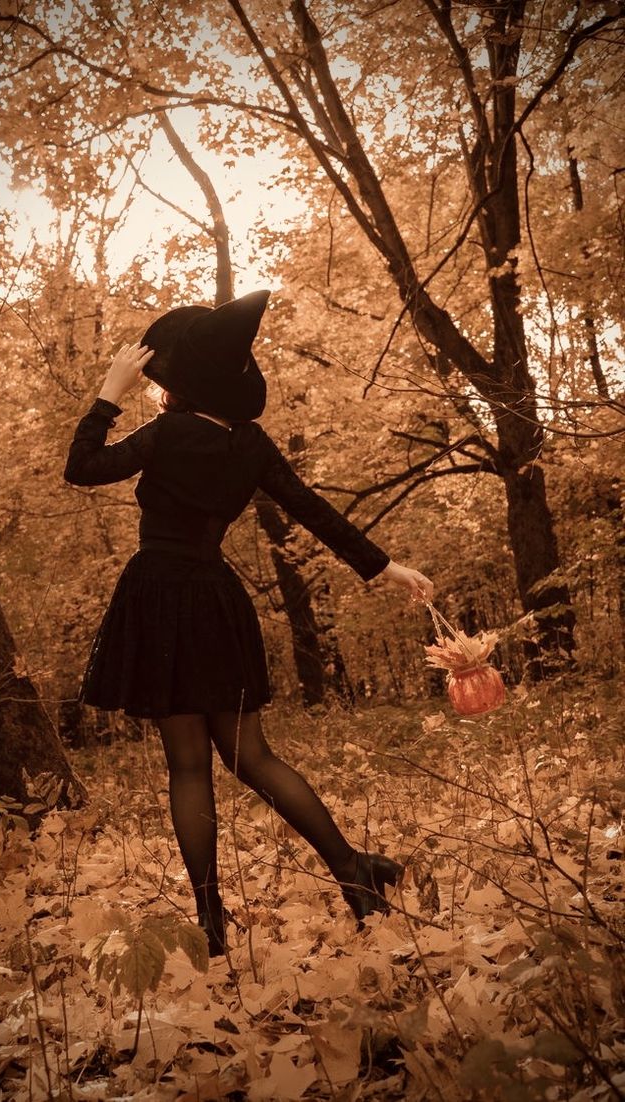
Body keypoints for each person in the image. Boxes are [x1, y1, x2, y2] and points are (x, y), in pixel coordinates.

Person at [64, 290, 433, 957]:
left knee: (189, 768)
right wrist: (384, 567)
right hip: (214, 598)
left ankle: (211, 923)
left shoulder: (168, 433)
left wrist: (108, 394)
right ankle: (353, 871)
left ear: (182, 382)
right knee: (251, 756)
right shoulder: (251, 446)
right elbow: (314, 510)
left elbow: (81, 468)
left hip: (158, 596)